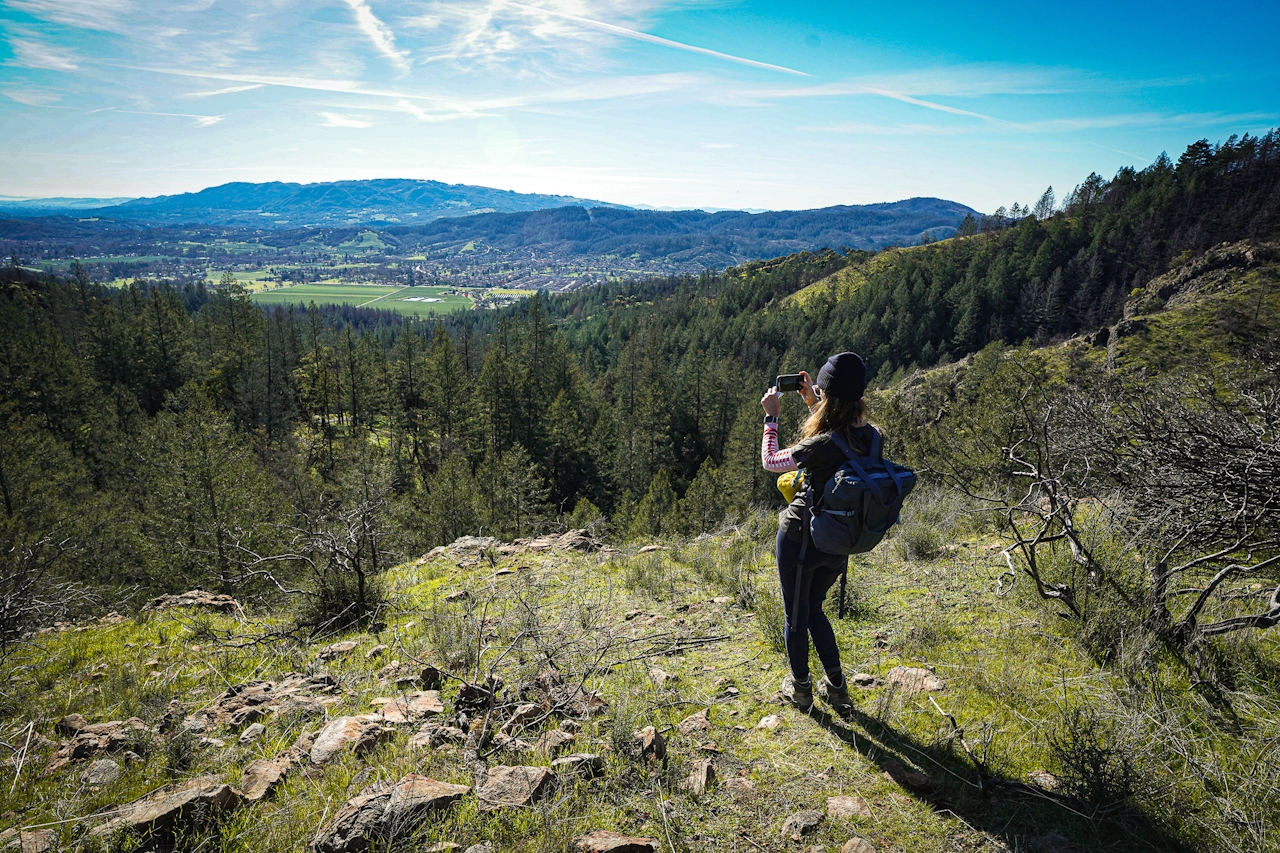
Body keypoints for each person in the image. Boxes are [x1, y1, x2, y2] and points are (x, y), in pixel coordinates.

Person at [760, 352, 877, 716]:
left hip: (801, 538)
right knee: (813, 610)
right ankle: (838, 689)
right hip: (840, 540)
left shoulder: (821, 444)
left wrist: (771, 418)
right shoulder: (872, 437)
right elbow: (839, 439)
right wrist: (814, 402)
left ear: (829, 395)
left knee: (796, 615)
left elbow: (771, 461)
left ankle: (801, 690)